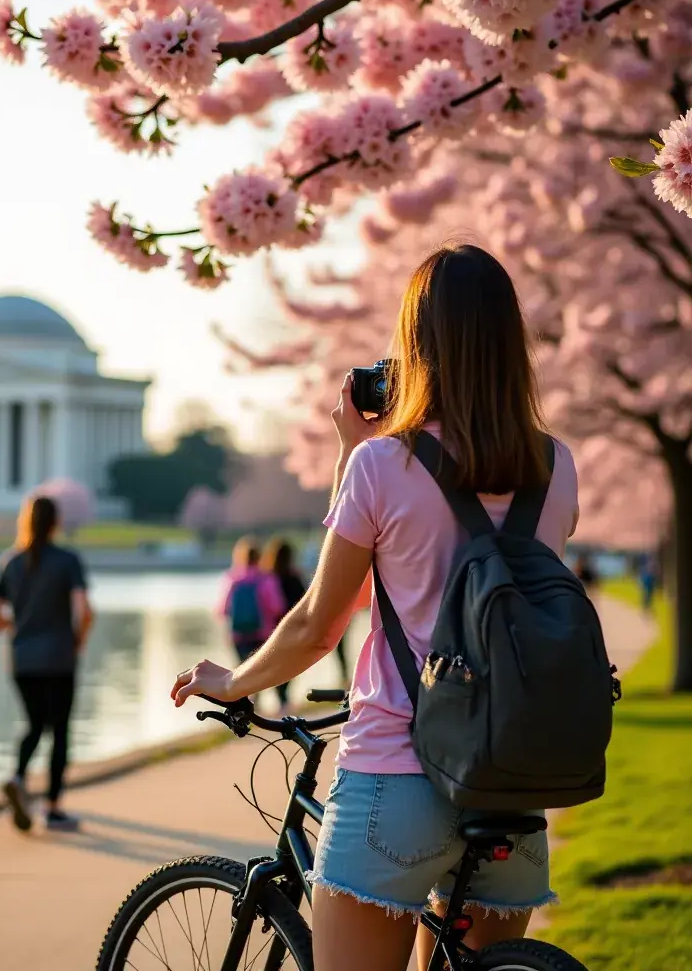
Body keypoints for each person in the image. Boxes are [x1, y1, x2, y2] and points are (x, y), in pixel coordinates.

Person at [171, 243, 581, 971]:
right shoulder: (556, 468)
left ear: (415, 346)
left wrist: (231, 681)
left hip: (399, 775)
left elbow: (320, 622)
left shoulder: (380, 465)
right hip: (513, 785)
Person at [0, 495, 93, 832]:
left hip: (22, 658)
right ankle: (52, 808)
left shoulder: (10, 561)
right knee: (59, 730)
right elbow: (84, 608)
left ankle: (18, 776)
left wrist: (22, 630)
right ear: (56, 523)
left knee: (35, 724)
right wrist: (77, 639)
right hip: (59, 657)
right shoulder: (67, 561)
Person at [220, 536, 286, 713]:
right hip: (262, 634)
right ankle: (262, 705)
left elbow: (222, 610)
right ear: (259, 557)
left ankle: (247, 708)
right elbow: (276, 607)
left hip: (239, 635)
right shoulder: (266, 579)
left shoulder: (232, 579)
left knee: (242, 672)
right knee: (260, 671)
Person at [261, 538, 304, 714]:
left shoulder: (267, 577)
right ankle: (283, 700)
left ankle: (278, 700)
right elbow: (304, 603)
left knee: (274, 665)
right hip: (292, 629)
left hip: (271, 629)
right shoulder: (294, 577)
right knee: (289, 666)